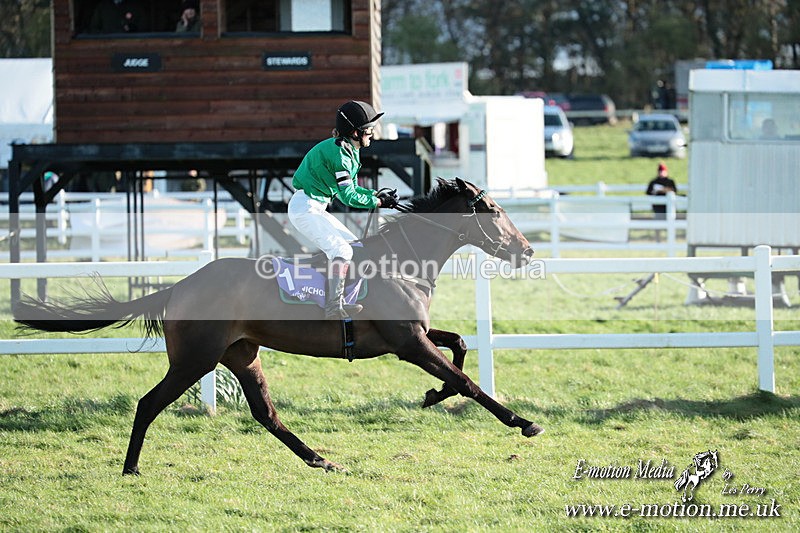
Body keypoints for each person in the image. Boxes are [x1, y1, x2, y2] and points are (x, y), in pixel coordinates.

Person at [288, 100, 399, 319]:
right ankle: (332, 306)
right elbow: (347, 196)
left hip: (314, 206)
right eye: (368, 130)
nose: (372, 134)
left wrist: (376, 195)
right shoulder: (340, 155)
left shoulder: (349, 150)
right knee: (342, 251)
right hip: (306, 207)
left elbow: (355, 189)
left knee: (354, 247)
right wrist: (377, 203)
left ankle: (344, 298)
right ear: (355, 131)